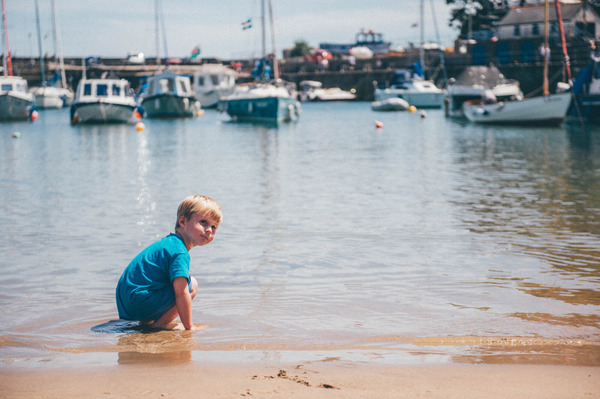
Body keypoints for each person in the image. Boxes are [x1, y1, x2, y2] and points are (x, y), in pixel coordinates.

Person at [116, 195, 222, 331]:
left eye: (214, 227)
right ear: (182, 222)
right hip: (139, 302)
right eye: (203, 222)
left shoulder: (169, 244)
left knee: (163, 281)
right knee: (192, 284)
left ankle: (147, 323)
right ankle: (159, 325)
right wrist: (189, 327)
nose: (209, 230)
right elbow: (181, 292)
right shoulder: (179, 252)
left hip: (128, 303)